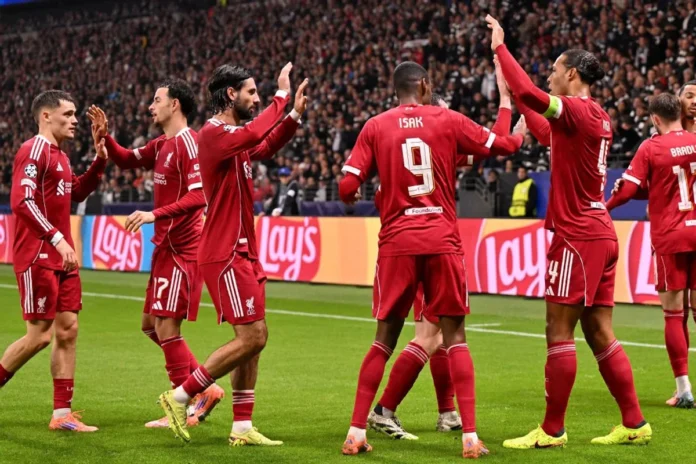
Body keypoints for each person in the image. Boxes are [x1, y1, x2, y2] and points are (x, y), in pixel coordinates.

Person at [338, 61, 525, 459]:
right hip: (441, 240)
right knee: (454, 339)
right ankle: (469, 437)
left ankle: (356, 431)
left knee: (383, 341)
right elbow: (504, 145)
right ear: (424, 85)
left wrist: (353, 193)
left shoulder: (376, 126)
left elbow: (347, 185)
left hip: (397, 244)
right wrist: (509, 107)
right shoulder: (447, 121)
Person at [487, 14, 651, 448]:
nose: (551, 76)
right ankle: (634, 423)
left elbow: (532, 94)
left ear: (572, 74)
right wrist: (516, 98)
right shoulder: (596, 115)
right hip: (599, 232)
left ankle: (552, 430)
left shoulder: (576, 108)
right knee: (598, 331)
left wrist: (501, 49)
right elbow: (545, 131)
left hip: (577, 236)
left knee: (557, 330)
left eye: (555, 70)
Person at [157, 62, 308, 446]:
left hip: (243, 250)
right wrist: (281, 95)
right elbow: (256, 132)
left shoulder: (233, 139)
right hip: (224, 251)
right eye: (251, 93)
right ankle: (180, 397)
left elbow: (264, 145)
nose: (256, 99)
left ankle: (242, 427)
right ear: (230, 94)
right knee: (253, 336)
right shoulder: (213, 133)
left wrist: (292, 116)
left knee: (254, 338)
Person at [87, 79, 225, 428]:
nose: (151, 106)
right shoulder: (162, 144)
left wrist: (154, 215)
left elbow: (199, 196)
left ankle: (182, 404)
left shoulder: (189, 143)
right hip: (165, 248)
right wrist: (105, 138)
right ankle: (205, 389)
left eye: (157, 99)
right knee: (150, 325)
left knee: (166, 326)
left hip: (184, 248)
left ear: (175, 104)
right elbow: (125, 160)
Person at [0, 90, 107, 431]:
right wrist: (57, 238)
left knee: (68, 330)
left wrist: (100, 159)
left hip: (63, 258)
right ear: (46, 116)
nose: (75, 120)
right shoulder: (33, 150)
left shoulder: (60, 155)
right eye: (68, 114)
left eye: (75, 114)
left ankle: (62, 415)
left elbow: (76, 192)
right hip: (38, 254)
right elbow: (22, 201)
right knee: (39, 336)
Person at [607, 93, 696, 409]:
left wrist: (605, 206)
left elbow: (629, 189)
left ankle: (684, 389)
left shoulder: (651, 147)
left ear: (655, 119)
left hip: (671, 236)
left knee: (674, 313)